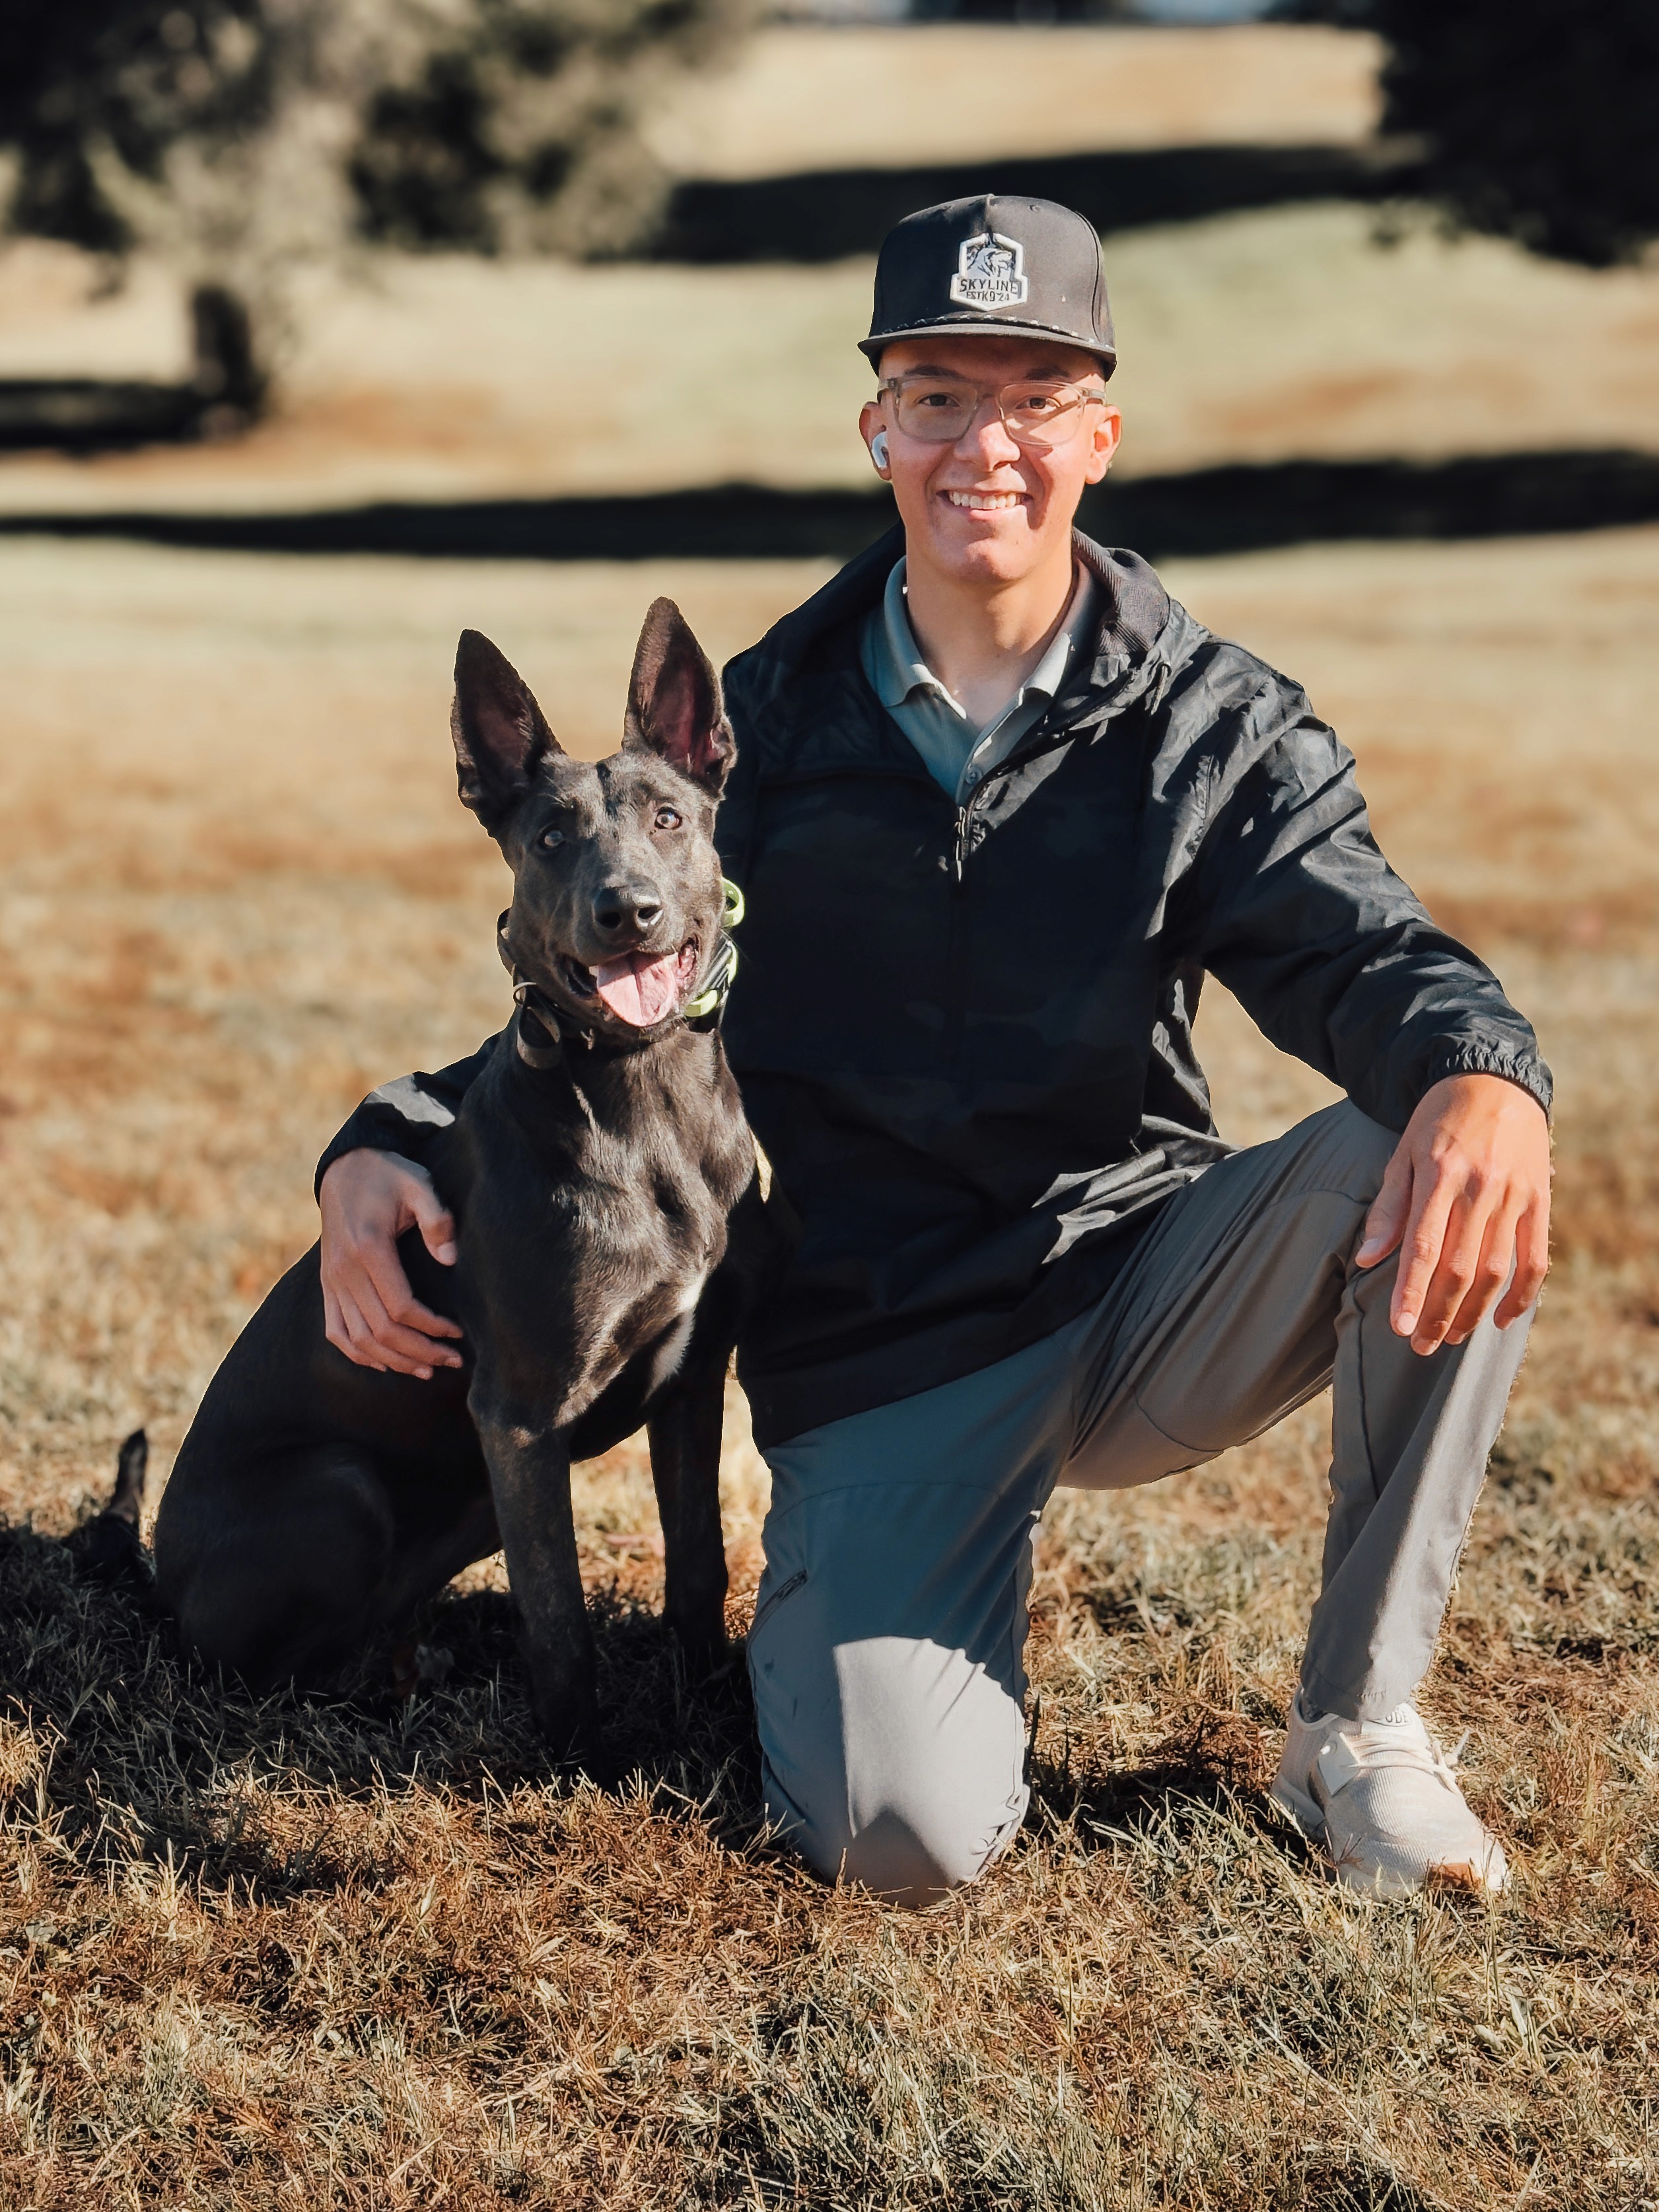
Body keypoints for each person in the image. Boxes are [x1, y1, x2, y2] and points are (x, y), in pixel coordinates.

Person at [314, 196, 1551, 1907]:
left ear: (1098, 433)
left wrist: (1483, 1064)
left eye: (1035, 395)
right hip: (886, 1346)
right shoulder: (773, 720)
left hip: (1134, 1279)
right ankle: (921, 1594)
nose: (989, 440)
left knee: (1448, 1145)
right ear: (878, 425)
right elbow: (613, 995)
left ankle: (1359, 1728)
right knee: (896, 1842)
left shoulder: (1211, 718)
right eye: (942, 391)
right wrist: (382, 1130)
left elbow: (1362, 948)